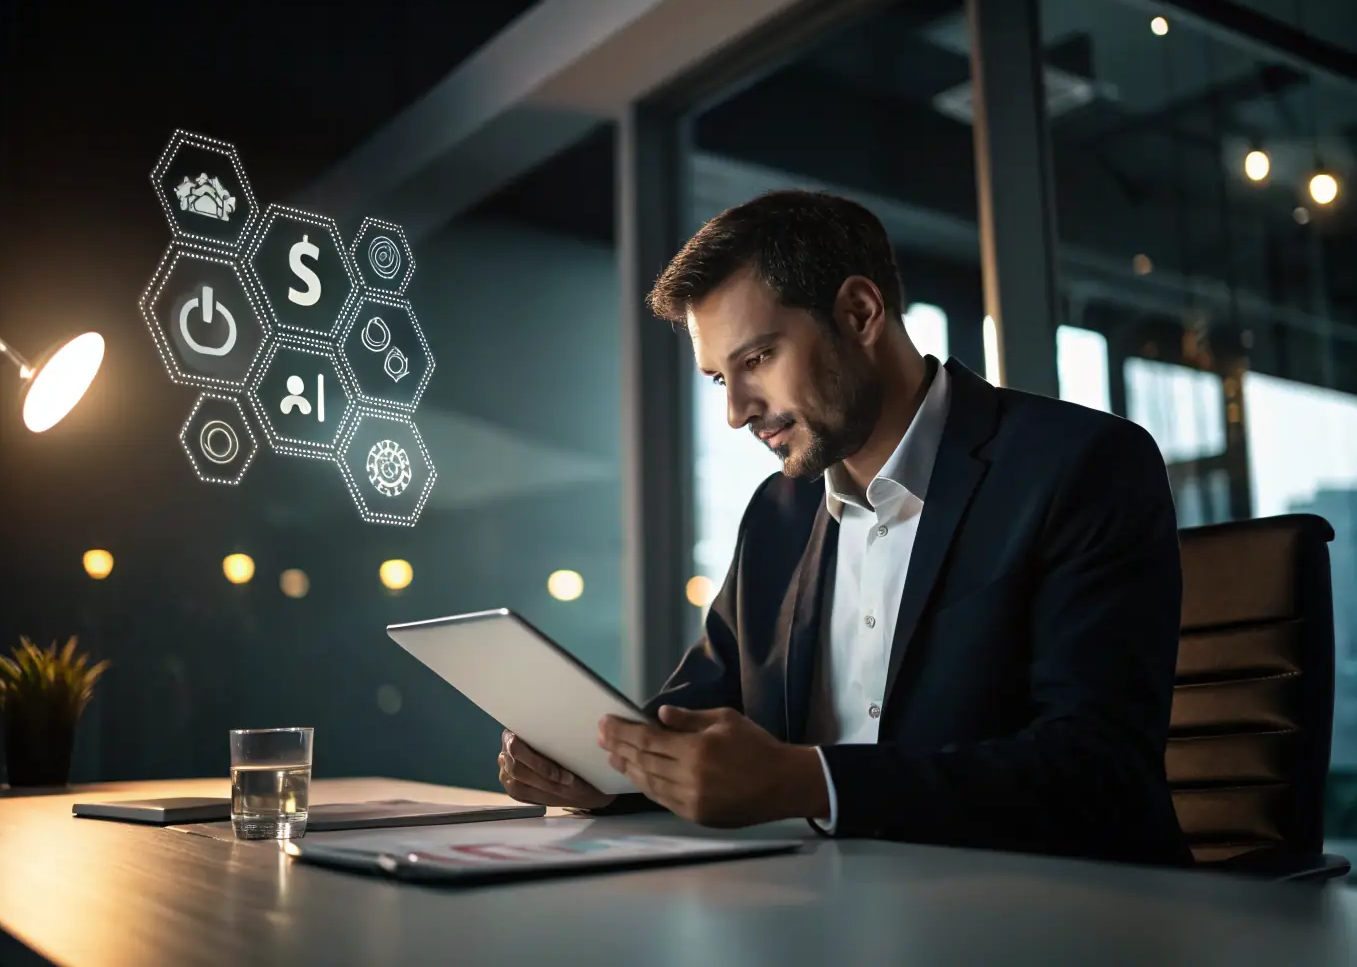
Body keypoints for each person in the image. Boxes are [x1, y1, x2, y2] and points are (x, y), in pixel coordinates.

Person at [498, 190, 1192, 867]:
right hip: (822, 908)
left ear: (859, 313)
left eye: (756, 359)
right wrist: (605, 771)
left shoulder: (1080, 464)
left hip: (1051, 916)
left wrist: (809, 782)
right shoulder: (779, 512)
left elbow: (1097, 769)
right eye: (719, 379)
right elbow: (695, 717)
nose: (737, 412)